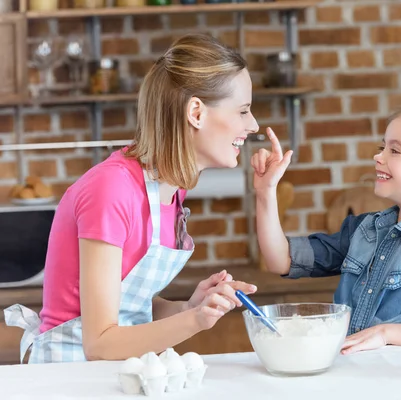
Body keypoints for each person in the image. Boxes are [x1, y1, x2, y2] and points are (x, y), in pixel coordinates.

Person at [4, 33, 260, 363]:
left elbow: (129, 308)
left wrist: (188, 307)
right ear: (195, 112)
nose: (252, 125)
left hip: (122, 372)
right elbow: (100, 344)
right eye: (243, 111)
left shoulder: (170, 190)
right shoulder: (112, 190)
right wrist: (194, 321)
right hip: (69, 375)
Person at [252, 95, 401, 355]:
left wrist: (386, 334)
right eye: (382, 147)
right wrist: (265, 192)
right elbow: (280, 259)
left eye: (394, 150)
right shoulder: (364, 230)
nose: (378, 156)